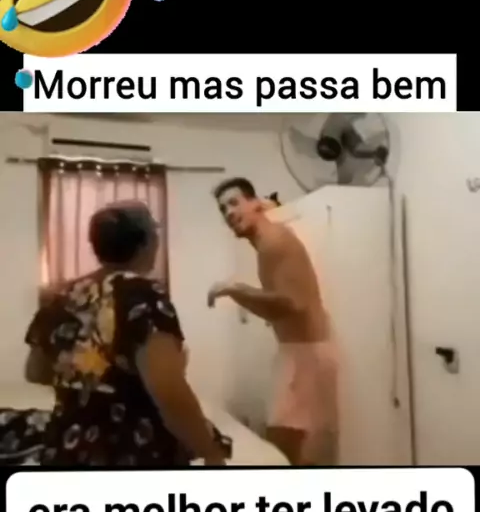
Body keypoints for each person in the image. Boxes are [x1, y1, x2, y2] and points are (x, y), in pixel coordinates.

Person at [25, 201, 225, 467]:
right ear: (145, 244)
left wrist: (88, 374)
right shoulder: (144, 295)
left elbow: (35, 371)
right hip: (129, 451)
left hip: (67, 446)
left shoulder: (60, 297)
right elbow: (168, 392)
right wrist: (211, 454)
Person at [208, 178, 338, 466]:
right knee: (289, 456)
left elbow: (293, 303)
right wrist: (237, 293)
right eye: (223, 209)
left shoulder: (274, 242)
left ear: (255, 203)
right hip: (299, 353)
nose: (229, 213)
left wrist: (236, 289)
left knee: (283, 456)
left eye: (234, 203)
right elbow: (277, 309)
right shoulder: (266, 242)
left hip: (307, 356)